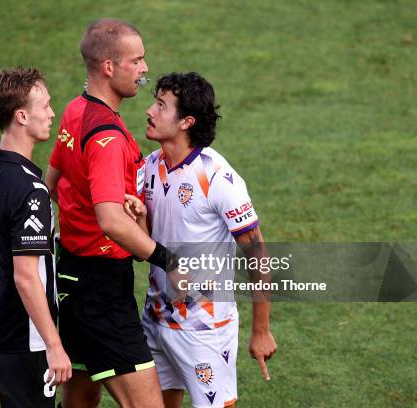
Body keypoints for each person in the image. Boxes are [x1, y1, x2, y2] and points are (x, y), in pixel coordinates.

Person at [124, 72, 277, 408]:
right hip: (155, 318)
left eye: (161, 105)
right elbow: (145, 248)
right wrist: (137, 218)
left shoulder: (218, 178)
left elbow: (258, 252)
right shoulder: (148, 167)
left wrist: (261, 330)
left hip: (205, 328)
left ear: (186, 122)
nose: (149, 110)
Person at [45, 18, 174, 408]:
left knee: (81, 400)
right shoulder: (108, 138)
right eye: (137, 61)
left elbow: (51, 184)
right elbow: (110, 221)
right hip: (100, 291)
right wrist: (168, 259)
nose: (144, 69)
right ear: (109, 67)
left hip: (70, 275)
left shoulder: (74, 110)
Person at [0, 67, 71, 408]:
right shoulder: (31, 191)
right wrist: (54, 345)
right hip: (20, 336)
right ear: (21, 116)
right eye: (45, 106)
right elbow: (25, 277)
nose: (51, 114)